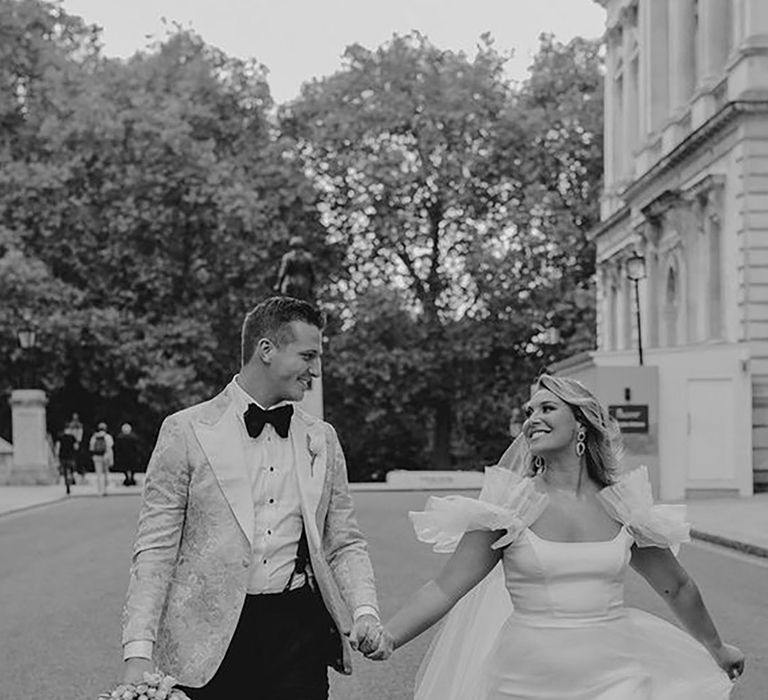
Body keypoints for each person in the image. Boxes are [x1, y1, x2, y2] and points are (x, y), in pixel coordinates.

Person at [367, 374, 745, 699]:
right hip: (527, 680)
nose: (532, 419)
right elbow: (444, 588)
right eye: (529, 412)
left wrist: (717, 648)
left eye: (547, 408)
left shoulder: (623, 508)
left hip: (616, 675)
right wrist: (389, 637)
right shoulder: (509, 507)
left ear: (581, 422)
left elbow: (677, 586)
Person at [121, 296, 382, 699]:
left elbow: (344, 541)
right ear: (266, 350)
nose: (316, 370)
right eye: (308, 355)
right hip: (208, 641)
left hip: (298, 631)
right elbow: (155, 549)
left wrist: (365, 610)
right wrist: (138, 650)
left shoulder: (322, 438)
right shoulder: (186, 431)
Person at [275, 235, 316, 302]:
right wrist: (312, 287)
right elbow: (312, 273)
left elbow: (283, 272)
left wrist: (278, 284)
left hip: (290, 283)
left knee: (287, 304)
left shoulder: (288, 257)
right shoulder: (308, 257)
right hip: (304, 284)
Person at [89, 422, 114, 496]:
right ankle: (105, 490)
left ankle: (99, 491)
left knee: (99, 474)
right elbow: (109, 448)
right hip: (105, 456)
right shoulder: (108, 437)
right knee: (105, 473)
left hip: (97, 457)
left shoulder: (94, 437)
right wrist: (111, 459)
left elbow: (91, 448)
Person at [55, 422, 79, 491]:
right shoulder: (72, 437)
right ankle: (71, 478)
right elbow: (76, 447)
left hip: (62, 456)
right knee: (71, 468)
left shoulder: (60, 437)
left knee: (65, 470)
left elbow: (58, 446)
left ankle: (67, 485)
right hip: (71, 456)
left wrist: (57, 455)